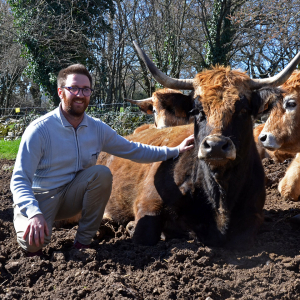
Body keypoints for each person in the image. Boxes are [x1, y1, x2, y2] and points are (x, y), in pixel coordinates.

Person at [10, 64, 194, 257]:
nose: (80, 94)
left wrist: (175, 150)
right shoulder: (39, 130)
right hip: (40, 199)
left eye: (86, 89)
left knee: (101, 174)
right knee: (33, 245)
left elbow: (134, 150)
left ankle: (83, 243)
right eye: (73, 88)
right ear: (60, 92)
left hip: (72, 196)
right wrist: (33, 212)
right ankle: (31, 224)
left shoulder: (97, 128)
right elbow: (19, 180)